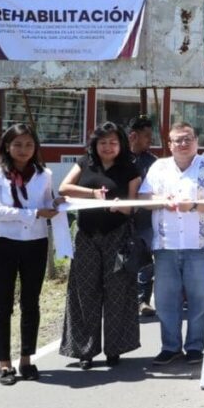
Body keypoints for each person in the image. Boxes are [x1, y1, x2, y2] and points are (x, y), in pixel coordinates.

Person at [0, 123, 63, 385]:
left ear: (35, 146)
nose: (23, 150)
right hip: (4, 242)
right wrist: (34, 213)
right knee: (2, 304)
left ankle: (26, 359)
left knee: (31, 302)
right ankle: (4, 363)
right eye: (17, 144)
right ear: (7, 145)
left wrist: (58, 203)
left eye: (29, 144)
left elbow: (46, 203)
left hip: (35, 242)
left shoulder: (44, 174)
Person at [138, 122, 204, 366]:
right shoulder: (159, 167)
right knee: (166, 299)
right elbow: (144, 197)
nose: (183, 144)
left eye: (188, 139)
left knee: (199, 300)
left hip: (201, 246)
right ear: (170, 144)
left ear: (197, 141)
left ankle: (196, 347)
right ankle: (170, 346)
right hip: (165, 245)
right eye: (178, 140)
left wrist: (194, 205)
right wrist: (160, 199)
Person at [58, 122, 141, 369]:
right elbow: (64, 188)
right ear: (95, 144)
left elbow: (133, 206)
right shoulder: (84, 163)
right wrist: (92, 194)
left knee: (118, 293)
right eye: (102, 142)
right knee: (84, 292)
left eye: (113, 142)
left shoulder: (130, 169)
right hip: (86, 235)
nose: (107, 146)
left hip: (118, 236)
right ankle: (85, 350)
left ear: (121, 144)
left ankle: (115, 349)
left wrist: (118, 205)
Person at [127, 116, 158, 317]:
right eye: (146, 136)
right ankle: (124, 300)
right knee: (125, 261)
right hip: (123, 219)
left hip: (146, 220)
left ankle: (143, 301)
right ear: (133, 136)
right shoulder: (119, 158)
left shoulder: (154, 162)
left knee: (147, 261)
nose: (150, 139)